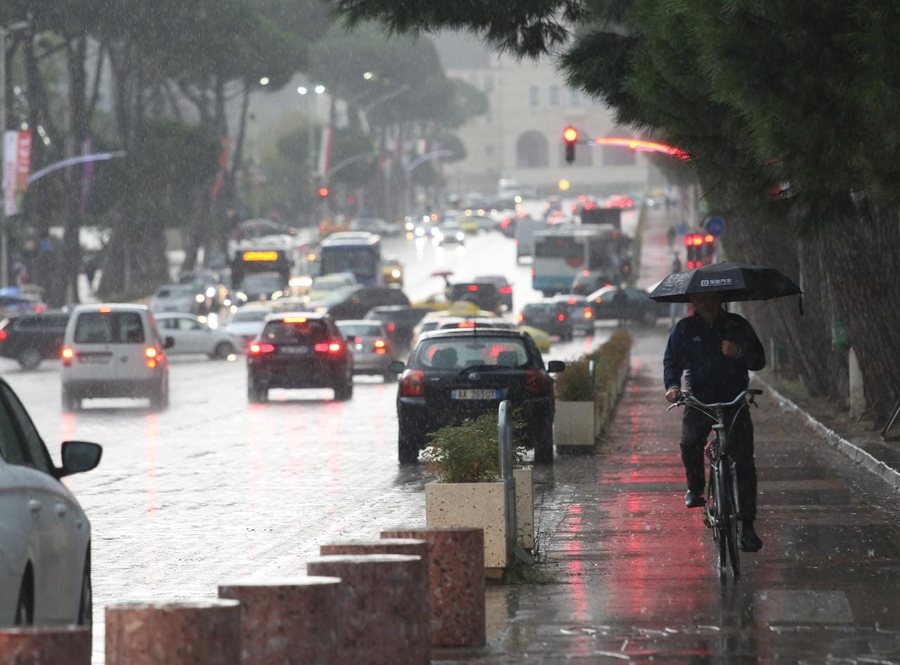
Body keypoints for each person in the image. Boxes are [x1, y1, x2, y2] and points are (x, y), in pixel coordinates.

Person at [662, 291, 766, 552]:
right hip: (700, 401)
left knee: (743, 462)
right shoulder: (685, 329)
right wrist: (673, 387)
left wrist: (738, 352)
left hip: (734, 401)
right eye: (701, 298)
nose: (707, 302)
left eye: (712, 297)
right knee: (689, 443)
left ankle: (747, 527)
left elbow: (758, 360)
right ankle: (695, 488)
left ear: (720, 299)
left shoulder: (737, 325)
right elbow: (671, 362)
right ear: (694, 302)